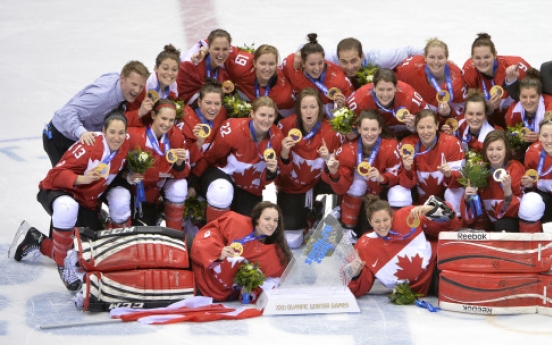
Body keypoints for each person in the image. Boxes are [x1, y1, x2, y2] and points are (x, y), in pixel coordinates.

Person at [13, 110, 130, 290]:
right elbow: (55, 174)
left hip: (86, 203)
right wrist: (81, 179)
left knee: (85, 257)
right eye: (112, 132)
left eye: (121, 132)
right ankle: (63, 266)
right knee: (68, 207)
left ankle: (36, 239)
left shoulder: (125, 147)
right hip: (58, 192)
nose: (116, 137)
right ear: (104, 131)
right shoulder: (89, 146)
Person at [192, 96, 284, 223]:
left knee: (245, 225)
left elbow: (268, 182)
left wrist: (271, 172)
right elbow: (210, 157)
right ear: (252, 113)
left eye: (270, 116)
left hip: (249, 189)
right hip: (223, 175)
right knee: (221, 190)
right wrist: (192, 183)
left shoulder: (277, 137)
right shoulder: (233, 129)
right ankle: (214, 236)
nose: (266, 120)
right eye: (262, 115)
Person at [43, 61, 149, 166]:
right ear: (122, 79)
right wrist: (82, 133)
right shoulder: (102, 98)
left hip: (80, 139)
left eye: (141, 86)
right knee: (65, 180)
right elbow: (67, 112)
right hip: (60, 138)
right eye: (134, 84)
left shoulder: (117, 80)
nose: (137, 90)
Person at [277, 88, 343, 248]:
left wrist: (329, 159)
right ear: (298, 109)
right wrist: (284, 153)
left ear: (320, 109)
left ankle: (322, 214)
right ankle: (306, 217)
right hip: (292, 187)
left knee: (326, 236)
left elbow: (339, 174)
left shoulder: (331, 132)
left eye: (313, 107)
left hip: (320, 185)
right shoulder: (285, 127)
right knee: (292, 242)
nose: (308, 111)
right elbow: (278, 171)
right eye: (304, 107)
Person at [322, 110, 401, 239]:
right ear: (358, 129)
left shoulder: (391, 147)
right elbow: (341, 188)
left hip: (382, 192)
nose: (369, 134)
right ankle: (347, 227)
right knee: (357, 185)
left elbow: (398, 177)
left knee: (400, 194)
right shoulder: (347, 150)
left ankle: (397, 227)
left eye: (373, 129)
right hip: (358, 196)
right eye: (365, 129)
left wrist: (382, 178)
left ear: (380, 130)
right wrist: (334, 172)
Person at [191, 201, 292, 302]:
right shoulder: (234, 221)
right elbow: (209, 234)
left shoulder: (276, 255)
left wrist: (250, 292)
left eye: (275, 220)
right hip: (199, 266)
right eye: (267, 219)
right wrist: (218, 252)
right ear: (257, 218)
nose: (272, 224)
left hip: (215, 292)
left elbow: (268, 284)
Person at [346, 195, 438, 297]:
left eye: (385, 220)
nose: (382, 225)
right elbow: (359, 288)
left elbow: (450, 222)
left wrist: (430, 209)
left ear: (391, 216)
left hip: (438, 264)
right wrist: (355, 274)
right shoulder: (363, 246)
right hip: (425, 289)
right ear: (369, 221)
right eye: (377, 221)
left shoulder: (407, 215)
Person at [126, 99, 190, 231]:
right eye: (164, 118)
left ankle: (174, 233)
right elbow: (117, 164)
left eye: (171, 120)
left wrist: (179, 164)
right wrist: (128, 176)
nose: (167, 124)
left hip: (155, 193)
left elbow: (182, 174)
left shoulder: (177, 137)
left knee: (180, 186)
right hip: (133, 191)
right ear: (154, 115)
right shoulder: (134, 136)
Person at [390, 109, 465, 213]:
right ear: (416, 128)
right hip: (417, 201)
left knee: (455, 193)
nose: (426, 132)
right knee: (397, 192)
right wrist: (407, 169)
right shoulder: (407, 145)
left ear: (437, 125)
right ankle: (405, 224)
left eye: (429, 127)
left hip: (445, 200)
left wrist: (449, 174)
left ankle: (454, 225)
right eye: (421, 127)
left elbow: (461, 182)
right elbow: (405, 185)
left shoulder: (451, 143)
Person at [462, 33, 531, 128]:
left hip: (520, 126)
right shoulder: (468, 71)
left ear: (495, 54)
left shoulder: (516, 65)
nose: (482, 62)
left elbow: (537, 93)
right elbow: (469, 108)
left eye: (486, 57)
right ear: (472, 58)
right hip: (491, 128)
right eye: (477, 58)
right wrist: (487, 108)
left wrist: (513, 82)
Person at [396, 38, 467, 126]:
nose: (436, 62)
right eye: (432, 57)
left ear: (446, 59)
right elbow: (391, 83)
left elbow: (462, 112)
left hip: (435, 129)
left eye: (440, 57)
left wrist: (447, 114)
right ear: (425, 57)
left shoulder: (457, 80)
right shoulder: (410, 69)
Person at [462, 130, 523, 232]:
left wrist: (508, 193)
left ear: (506, 150)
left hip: (509, 223)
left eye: (499, 149)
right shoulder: (479, 170)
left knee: (503, 225)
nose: (494, 154)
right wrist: (468, 200)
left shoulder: (516, 168)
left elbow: (524, 208)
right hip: (487, 222)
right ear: (485, 151)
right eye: (490, 149)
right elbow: (475, 214)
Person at [281, 33, 353, 117]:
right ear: (303, 63)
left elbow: (351, 113)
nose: (317, 68)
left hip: (325, 120)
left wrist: (341, 108)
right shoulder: (291, 64)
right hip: (299, 116)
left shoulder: (339, 80)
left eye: (320, 63)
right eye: (312, 64)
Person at [346, 68, 428, 140]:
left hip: (405, 138)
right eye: (381, 89)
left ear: (396, 88)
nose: (385, 94)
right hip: (372, 141)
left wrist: (417, 126)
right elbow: (345, 128)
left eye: (389, 89)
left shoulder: (410, 96)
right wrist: (352, 133)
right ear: (374, 88)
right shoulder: (359, 100)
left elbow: (430, 121)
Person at [223, 44, 296, 118]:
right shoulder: (241, 66)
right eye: (262, 63)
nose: (267, 68)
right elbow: (217, 44)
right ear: (254, 63)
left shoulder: (283, 95)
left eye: (271, 64)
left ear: (276, 64)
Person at [332, 37, 423, 90]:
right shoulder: (332, 58)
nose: (349, 67)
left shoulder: (381, 59)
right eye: (344, 62)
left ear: (362, 56)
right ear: (338, 58)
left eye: (354, 61)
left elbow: (408, 50)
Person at [126, 44, 182, 127]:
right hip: (136, 129)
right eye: (165, 68)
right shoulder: (142, 87)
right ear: (156, 68)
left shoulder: (173, 88)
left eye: (174, 69)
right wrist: (140, 112)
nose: (170, 73)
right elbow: (122, 119)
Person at [177, 29, 237, 105]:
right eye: (216, 49)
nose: (221, 54)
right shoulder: (191, 64)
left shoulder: (228, 67)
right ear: (208, 48)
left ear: (230, 49)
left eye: (225, 49)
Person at [177, 79, 228, 168]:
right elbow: (185, 163)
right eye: (208, 103)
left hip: (212, 168)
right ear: (199, 102)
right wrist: (199, 142)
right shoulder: (185, 121)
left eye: (217, 104)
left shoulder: (223, 114)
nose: (213, 108)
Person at [519, 116, 552, 233]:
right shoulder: (533, 152)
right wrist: (528, 184)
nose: (549, 140)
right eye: (545, 135)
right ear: (539, 137)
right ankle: (531, 243)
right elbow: (530, 182)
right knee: (530, 203)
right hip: (544, 195)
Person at [505, 68, 552, 144]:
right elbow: (511, 135)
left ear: (540, 95)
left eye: (533, 96)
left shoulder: (550, 107)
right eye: (524, 97)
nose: (528, 101)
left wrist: (540, 137)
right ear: (519, 96)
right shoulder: (513, 111)